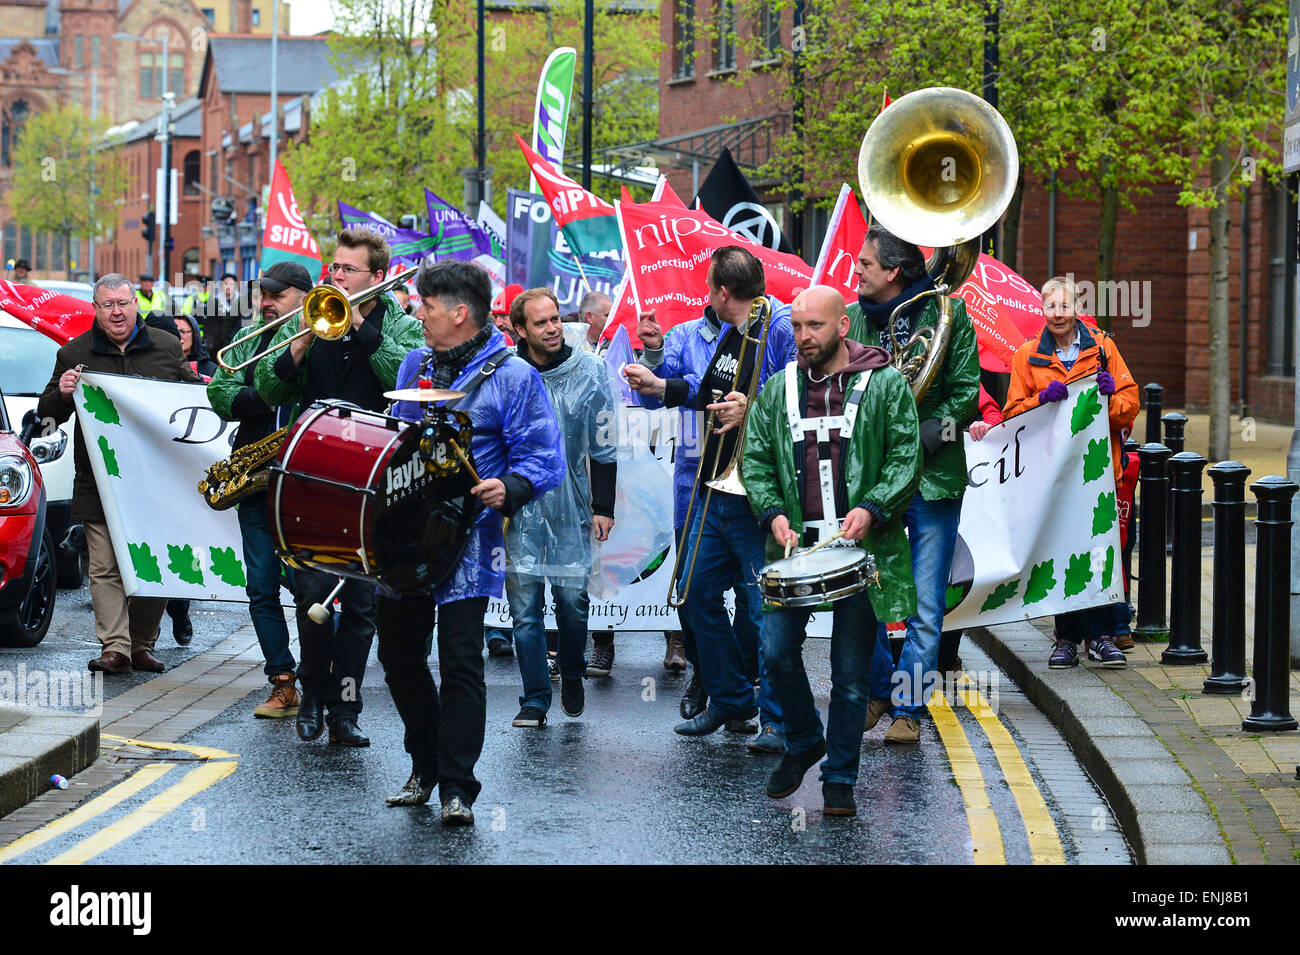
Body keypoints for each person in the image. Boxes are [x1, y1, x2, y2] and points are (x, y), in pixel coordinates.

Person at [381, 260, 564, 823]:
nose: (418, 313)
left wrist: (508, 486)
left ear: (459, 313)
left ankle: (458, 785)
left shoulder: (512, 375)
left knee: (461, 661)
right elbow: (391, 435)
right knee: (398, 657)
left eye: (427, 307)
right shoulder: (415, 362)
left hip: (469, 539)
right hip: (406, 535)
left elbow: (544, 456)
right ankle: (426, 761)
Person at [745, 286, 921, 815]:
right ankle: (804, 740)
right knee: (775, 653)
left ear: (842, 326)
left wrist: (872, 507)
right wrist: (772, 511)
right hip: (794, 552)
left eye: (814, 326)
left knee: (849, 676)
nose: (803, 337)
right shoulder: (777, 389)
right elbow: (754, 457)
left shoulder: (887, 385)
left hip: (863, 557)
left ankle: (839, 778)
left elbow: (906, 456)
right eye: (797, 327)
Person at [254, 229, 425, 746]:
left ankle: (346, 709)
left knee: (362, 602)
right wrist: (301, 344)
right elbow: (266, 387)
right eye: (334, 268)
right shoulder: (306, 316)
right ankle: (315, 697)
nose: (335, 277)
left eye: (348, 271)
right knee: (311, 594)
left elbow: (407, 377)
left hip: (375, 479)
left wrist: (359, 329)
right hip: (317, 475)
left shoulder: (401, 325)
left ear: (377, 278)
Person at [625, 246, 792, 750]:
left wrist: (756, 409)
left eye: (709, 286)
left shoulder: (781, 325)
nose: (706, 295)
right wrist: (655, 373)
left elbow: (802, 393)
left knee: (762, 606)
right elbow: (691, 389)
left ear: (723, 291)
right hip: (707, 482)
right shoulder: (701, 334)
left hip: (759, 488)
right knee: (694, 592)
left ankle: (777, 720)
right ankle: (729, 695)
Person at [848, 225, 980, 746]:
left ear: (892, 272)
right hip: (876, 479)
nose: (856, 271)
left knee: (926, 604)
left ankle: (908, 709)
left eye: (864, 264)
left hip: (933, 476)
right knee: (874, 597)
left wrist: (924, 434)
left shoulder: (950, 313)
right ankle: (882, 690)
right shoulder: (855, 317)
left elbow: (966, 392)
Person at [36, 274, 202, 674]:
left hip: (157, 481)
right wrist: (62, 391)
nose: (116, 312)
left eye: (123, 303)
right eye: (107, 304)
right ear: (95, 308)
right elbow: (47, 415)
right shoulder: (75, 352)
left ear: (135, 305)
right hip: (100, 480)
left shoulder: (165, 347)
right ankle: (115, 647)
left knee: (154, 562)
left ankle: (142, 644)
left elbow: (191, 398)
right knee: (105, 566)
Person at [1004, 276, 1139, 669]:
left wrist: (1110, 396)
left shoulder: (1103, 347)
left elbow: (1130, 405)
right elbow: (1012, 414)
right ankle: (1065, 639)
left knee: (1098, 551)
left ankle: (1101, 636)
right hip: (1054, 475)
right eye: (1051, 307)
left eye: (1065, 307)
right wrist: (1040, 402)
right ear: (1041, 310)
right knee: (1062, 552)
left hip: (1098, 472)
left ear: (1076, 308)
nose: (1058, 315)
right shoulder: (1027, 356)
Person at [505, 287, 618, 727]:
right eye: (540, 322)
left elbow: (604, 444)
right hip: (519, 505)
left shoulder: (590, 370)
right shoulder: (507, 372)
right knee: (524, 608)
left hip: (572, 502)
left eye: (555, 318)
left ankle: (571, 671)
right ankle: (535, 696)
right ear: (520, 329)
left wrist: (602, 505)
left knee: (572, 601)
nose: (552, 328)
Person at [207, 262, 314, 719]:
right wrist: (259, 398)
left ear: (303, 297)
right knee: (261, 585)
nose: (266, 303)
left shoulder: (324, 336)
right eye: (263, 295)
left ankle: (325, 675)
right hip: (255, 478)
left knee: (313, 585)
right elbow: (221, 395)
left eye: (277, 294)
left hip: (305, 479)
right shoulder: (250, 338)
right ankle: (282, 681)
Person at [936, 384, 1003, 675]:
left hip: (947, 485)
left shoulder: (959, 373)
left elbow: (992, 412)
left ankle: (948, 655)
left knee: (952, 574)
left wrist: (985, 424)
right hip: (902, 486)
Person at [177, 313, 218, 378]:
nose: (178, 336)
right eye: (174, 331)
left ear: (194, 335)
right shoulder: (162, 364)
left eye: (183, 332)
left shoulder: (211, 370)